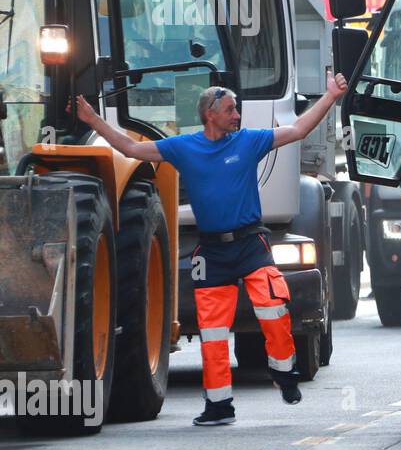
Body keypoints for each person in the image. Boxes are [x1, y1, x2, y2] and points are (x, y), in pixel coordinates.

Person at [75, 73, 349, 426]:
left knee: (273, 309)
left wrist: (330, 97)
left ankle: (284, 374)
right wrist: (93, 120)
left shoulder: (249, 142)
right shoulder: (184, 147)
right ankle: (219, 405)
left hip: (252, 244)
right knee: (214, 332)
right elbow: (130, 150)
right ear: (210, 114)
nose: (237, 116)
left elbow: (297, 131)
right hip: (213, 253)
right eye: (231, 110)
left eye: (236, 110)